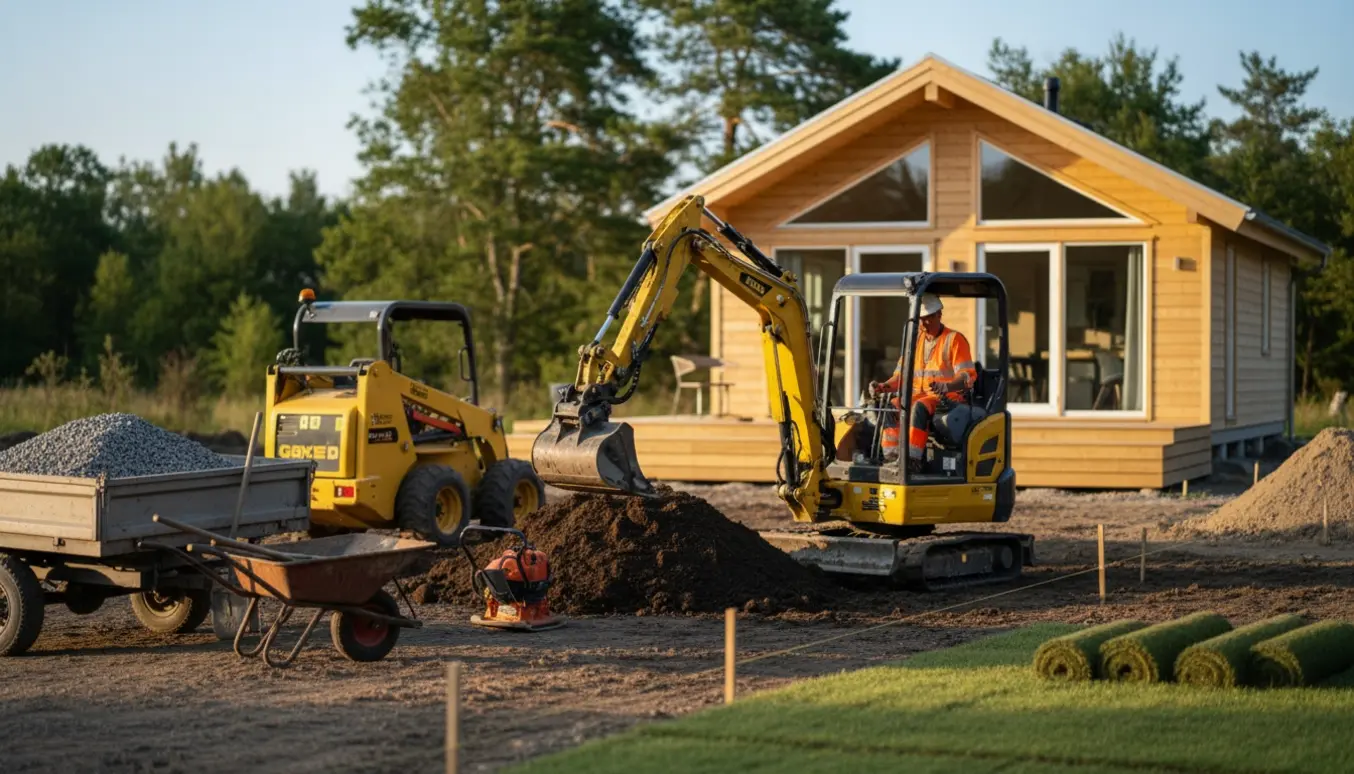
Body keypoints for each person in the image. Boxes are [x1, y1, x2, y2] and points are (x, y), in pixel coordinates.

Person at [869, 293, 977, 469]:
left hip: (948, 400)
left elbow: (967, 376)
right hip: (920, 396)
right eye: (920, 319)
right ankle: (892, 458)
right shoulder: (916, 341)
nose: (923, 323)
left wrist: (947, 386)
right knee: (891, 405)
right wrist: (883, 387)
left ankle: (912, 461)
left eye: (928, 318)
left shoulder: (954, 340)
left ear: (939, 315)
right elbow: (901, 376)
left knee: (919, 407)